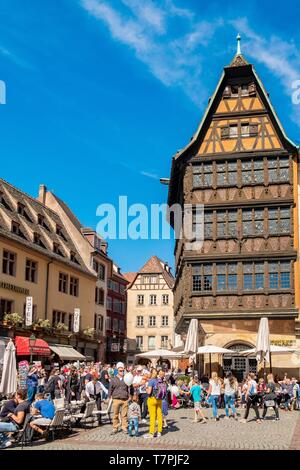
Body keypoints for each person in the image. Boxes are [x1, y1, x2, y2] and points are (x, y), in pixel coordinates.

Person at [144, 369, 166, 439]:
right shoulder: (160, 380)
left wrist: (146, 388)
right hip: (159, 399)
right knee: (159, 416)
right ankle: (159, 432)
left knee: (152, 417)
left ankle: (151, 433)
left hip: (152, 399)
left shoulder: (151, 380)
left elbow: (149, 392)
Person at [109, 362, 130, 435]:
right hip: (116, 398)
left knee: (124, 415)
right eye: (120, 371)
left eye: (123, 370)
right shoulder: (113, 379)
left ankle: (124, 427)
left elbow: (129, 387)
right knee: (115, 414)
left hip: (125, 399)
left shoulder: (126, 378)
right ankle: (115, 427)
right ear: (117, 371)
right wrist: (110, 397)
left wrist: (129, 396)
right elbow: (110, 389)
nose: (122, 372)